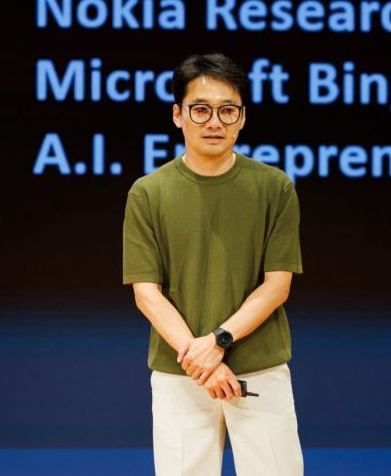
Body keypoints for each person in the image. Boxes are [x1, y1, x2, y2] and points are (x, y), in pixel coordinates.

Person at [122, 52, 304, 476]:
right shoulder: (148, 193)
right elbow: (146, 293)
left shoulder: (274, 187)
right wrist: (200, 359)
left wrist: (218, 342)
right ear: (178, 115)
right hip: (180, 374)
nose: (214, 122)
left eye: (227, 110)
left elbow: (277, 285)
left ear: (242, 118)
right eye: (200, 110)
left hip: (259, 366)